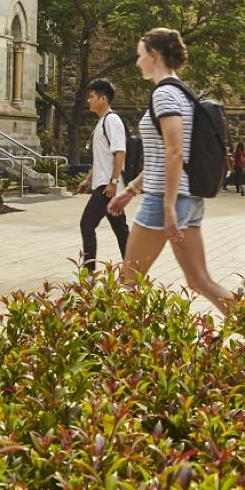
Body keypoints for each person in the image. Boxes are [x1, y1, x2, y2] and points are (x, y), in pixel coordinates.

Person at [106, 28, 233, 313]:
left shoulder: (164, 95)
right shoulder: (183, 93)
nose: (137, 62)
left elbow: (175, 152)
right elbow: (164, 156)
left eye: (140, 56)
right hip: (187, 198)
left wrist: (167, 206)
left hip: (167, 198)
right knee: (199, 280)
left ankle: (117, 352)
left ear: (153, 55)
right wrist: (131, 190)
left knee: (128, 282)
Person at [75, 78, 130, 272]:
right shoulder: (101, 123)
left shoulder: (112, 120)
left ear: (103, 98)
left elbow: (119, 152)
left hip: (107, 187)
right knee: (121, 231)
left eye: (91, 96)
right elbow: (101, 158)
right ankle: (133, 270)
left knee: (87, 223)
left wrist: (113, 182)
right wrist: (88, 179)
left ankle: (88, 272)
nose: (88, 100)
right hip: (104, 184)